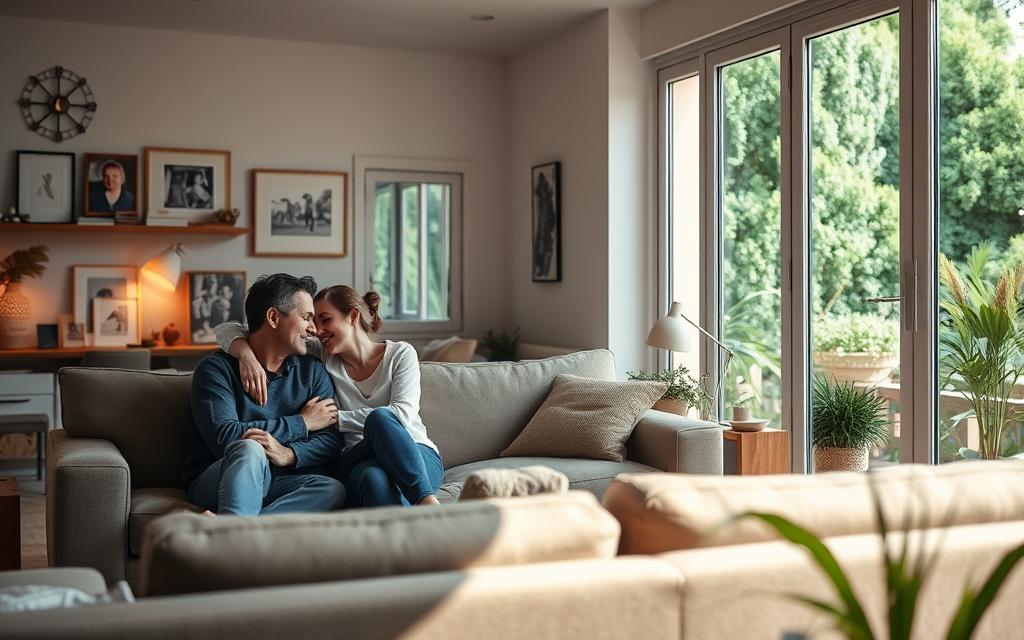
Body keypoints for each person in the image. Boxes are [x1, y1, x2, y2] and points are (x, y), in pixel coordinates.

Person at [215, 286, 443, 508]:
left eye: (325, 320)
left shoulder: (400, 354)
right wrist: (246, 355)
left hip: (413, 451)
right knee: (370, 475)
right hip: (358, 456)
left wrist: (334, 419)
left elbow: (402, 414)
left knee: (380, 423)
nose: (317, 330)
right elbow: (230, 328)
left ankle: (426, 502)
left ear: (353, 316)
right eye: (314, 322)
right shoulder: (324, 354)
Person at [183, 273, 346, 516]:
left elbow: (331, 441)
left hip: (280, 481)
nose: (314, 329)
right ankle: (239, 536)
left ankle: (234, 528)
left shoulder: (312, 371)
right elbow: (225, 437)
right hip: (221, 478)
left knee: (331, 489)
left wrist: (289, 455)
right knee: (249, 449)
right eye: (306, 318)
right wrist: (302, 423)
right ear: (273, 317)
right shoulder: (215, 370)